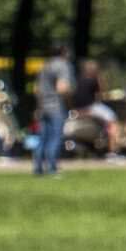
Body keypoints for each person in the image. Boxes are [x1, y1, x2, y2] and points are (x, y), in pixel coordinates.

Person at [32, 41, 74, 178]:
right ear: (63, 52)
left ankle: (38, 167)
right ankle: (52, 167)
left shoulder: (44, 66)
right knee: (56, 136)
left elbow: (36, 89)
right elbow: (62, 87)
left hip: (43, 105)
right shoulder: (63, 65)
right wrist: (70, 101)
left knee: (43, 137)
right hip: (56, 105)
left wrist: (40, 104)